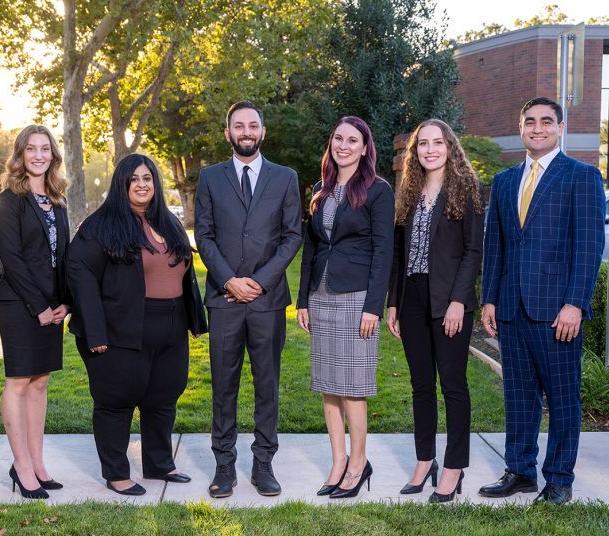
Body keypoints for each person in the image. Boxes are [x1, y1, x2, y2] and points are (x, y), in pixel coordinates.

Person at [479, 97, 605, 505]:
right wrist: (490, 300)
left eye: (546, 121)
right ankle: (519, 471)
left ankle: (559, 479)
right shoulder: (503, 181)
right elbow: (494, 247)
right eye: (530, 121)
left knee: (563, 397)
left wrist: (575, 303)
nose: (537, 128)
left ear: (560, 127)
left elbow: (589, 247)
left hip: (557, 311)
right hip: (512, 309)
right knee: (518, 395)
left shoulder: (581, 177)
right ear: (521, 128)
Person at [67, 153, 207, 496]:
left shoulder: (168, 222)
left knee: (163, 397)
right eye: (135, 179)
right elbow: (79, 272)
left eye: (147, 178)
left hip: (171, 327)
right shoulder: (102, 225)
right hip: (122, 328)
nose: (142, 185)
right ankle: (116, 473)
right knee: (117, 401)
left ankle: (159, 463)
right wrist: (95, 331)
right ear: (122, 184)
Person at [195, 101, 302, 498]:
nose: (246, 131)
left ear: (262, 131)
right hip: (224, 300)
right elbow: (202, 235)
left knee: (266, 384)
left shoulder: (285, 177)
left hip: (267, 299)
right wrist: (228, 280)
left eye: (252, 125)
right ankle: (224, 466)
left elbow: (293, 236)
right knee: (224, 385)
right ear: (228, 133)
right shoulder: (209, 178)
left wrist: (257, 281)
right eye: (238, 125)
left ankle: (263, 464)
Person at [296, 116, 393, 499]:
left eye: (353, 140)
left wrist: (374, 307)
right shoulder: (321, 189)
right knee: (328, 386)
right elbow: (312, 247)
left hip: (357, 299)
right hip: (321, 296)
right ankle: (337, 462)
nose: (344, 145)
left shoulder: (378, 190)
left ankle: (358, 463)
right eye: (338, 138)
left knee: (352, 388)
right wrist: (302, 299)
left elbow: (384, 251)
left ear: (365, 147)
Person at [386, 119, 484, 503]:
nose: (429, 149)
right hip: (411, 296)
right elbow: (399, 252)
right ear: (415, 151)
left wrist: (458, 301)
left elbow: (474, 251)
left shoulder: (466, 188)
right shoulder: (408, 190)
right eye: (422, 144)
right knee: (421, 386)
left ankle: (454, 466)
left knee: (453, 385)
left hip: (449, 300)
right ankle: (424, 460)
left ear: (449, 147)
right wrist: (393, 301)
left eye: (437, 143)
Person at [0, 125, 71, 500]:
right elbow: (12, 259)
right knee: (19, 382)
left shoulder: (57, 198)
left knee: (40, 383)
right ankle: (21, 466)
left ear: (53, 155)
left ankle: (38, 464)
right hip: (20, 305)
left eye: (45, 149)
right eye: (31, 149)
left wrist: (65, 301)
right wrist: (39, 307)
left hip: (52, 308)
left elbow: (64, 257)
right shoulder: (10, 199)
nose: (39, 155)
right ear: (21, 154)